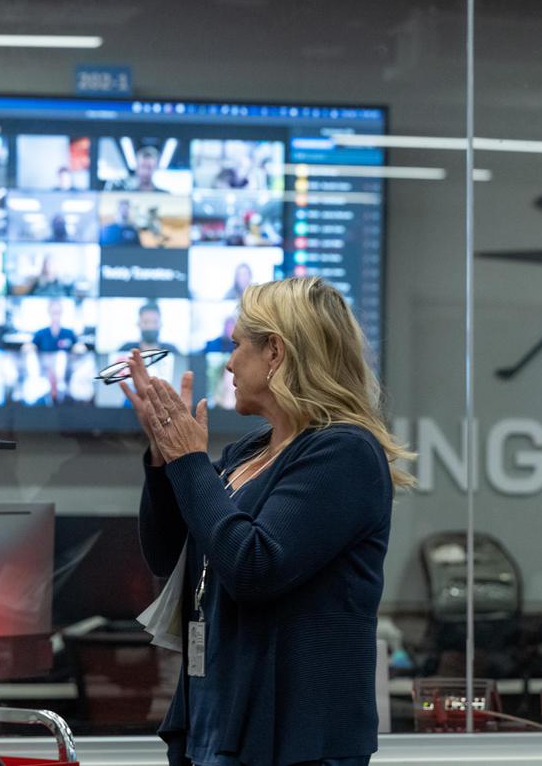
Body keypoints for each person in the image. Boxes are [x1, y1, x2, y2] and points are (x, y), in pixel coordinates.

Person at [122, 276, 415, 766]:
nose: (230, 362)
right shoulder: (247, 453)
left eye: (237, 346)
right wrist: (163, 456)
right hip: (217, 718)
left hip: (293, 740)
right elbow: (167, 553)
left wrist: (191, 462)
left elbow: (254, 567)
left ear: (275, 352)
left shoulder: (344, 453)